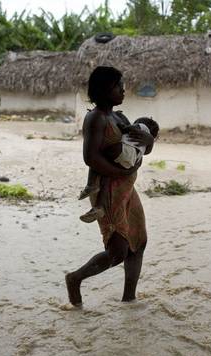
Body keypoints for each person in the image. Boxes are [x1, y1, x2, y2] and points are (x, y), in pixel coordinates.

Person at [65, 66, 154, 306]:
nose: (123, 89)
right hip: (109, 189)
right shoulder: (96, 118)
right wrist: (122, 172)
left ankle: (129, 299)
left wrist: (149, 140)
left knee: (138, 242)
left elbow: (141, 146)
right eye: (118, 85)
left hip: (127, 188)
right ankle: (75, 278)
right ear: (104, 89)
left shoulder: (120, 118)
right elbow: (91, 157)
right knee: (118, 251)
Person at [78, 116, 160, 223]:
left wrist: (123, 127)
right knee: (106, 178)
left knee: (101, 155)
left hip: (124, 151)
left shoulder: (142, 127)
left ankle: (91, 185)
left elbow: (131, 129)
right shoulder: (146, 141)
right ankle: (99, 207)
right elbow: (146, 153)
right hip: (130, 161)